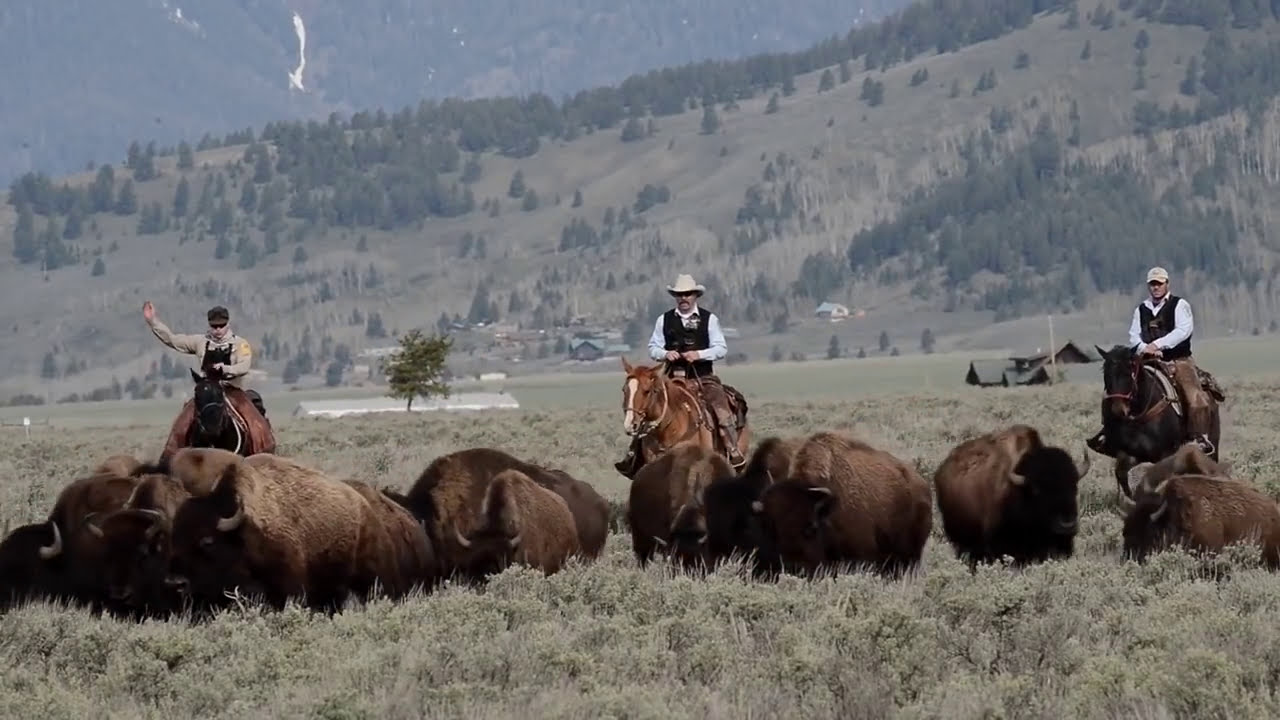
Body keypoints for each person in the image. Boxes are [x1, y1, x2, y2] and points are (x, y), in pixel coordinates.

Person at [614, 273, 746, 477]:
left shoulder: (709, 319)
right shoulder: (664, 320)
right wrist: (665, 353)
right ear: (675, 296)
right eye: (679, 294)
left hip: (703, 377)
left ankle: (732, 449)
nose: (683, 298)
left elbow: (721, 348)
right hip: (672, 377)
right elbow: (653, 347)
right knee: (648, 409)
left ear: (695, 296)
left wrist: (699, 354)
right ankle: (634, 455)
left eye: (687, 294)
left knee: (721, 409)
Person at [1087, 266, 1215, 456]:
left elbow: (1183, 331)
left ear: (1167, 284)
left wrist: (1157, 345)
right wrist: (1143, 348)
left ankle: (1197, 437)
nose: (1155, 287)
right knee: (1114, 391)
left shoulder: (1180, 305)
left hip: (1177, 359)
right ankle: (1109, 434)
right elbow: (1133, 335)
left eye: (1159, 283)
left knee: (1195, 397)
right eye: (1152, 284)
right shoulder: (1141, 309)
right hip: (1145, 359)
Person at [143, 301, 270, 425]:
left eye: (222, 325)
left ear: (228, 324)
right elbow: (173, 340)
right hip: (207, 391)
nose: (218, 329)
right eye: (214, 326)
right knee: (185, 419)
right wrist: (153, 322)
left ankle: (263, 443)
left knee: (252, 418)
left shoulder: (240, 344)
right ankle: (176, 446)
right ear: (209, 325)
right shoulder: (200, 342)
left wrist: (225, 369)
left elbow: (244, 366)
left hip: (232, 390)